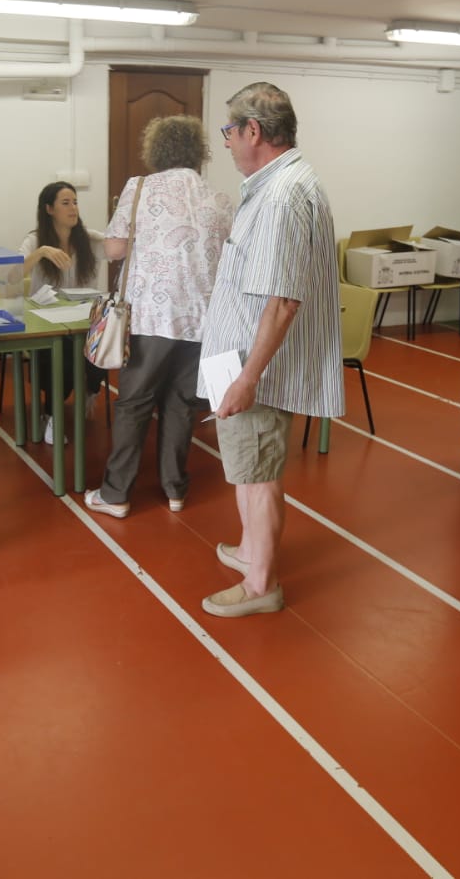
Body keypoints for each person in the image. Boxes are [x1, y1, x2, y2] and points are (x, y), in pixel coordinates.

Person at [198, 82, 342, 618]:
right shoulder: (273, 185)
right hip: (232, 355)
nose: (228, 144)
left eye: (230, 133)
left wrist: (246, 379)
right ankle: (251, 549)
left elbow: (282, 301)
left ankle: (262, 585)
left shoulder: (282, 195)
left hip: (248, 363)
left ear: (253, 131)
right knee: (244, 466)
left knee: (257, 473)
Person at [83, 116, 234, 519]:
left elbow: (115, 250)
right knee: (182, 404)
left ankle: (116, 494)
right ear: (197, 152)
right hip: (202, 319)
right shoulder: (220, 198)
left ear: (156, 150)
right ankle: (175, 489)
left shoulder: (139, 189)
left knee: (133, 403)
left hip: (151, 315)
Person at [19, 182, 108, 443]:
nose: (73, 208)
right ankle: (52, 415)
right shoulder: (36, 240)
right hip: (47, 324)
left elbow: (118, 247)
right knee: (65, 359)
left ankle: (90, 390)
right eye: (65, 203)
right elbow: (11, 274)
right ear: (49, 209)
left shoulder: (89, 239)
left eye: (75, 202)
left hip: (83, 320)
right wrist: (41, 253)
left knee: (103, 350)